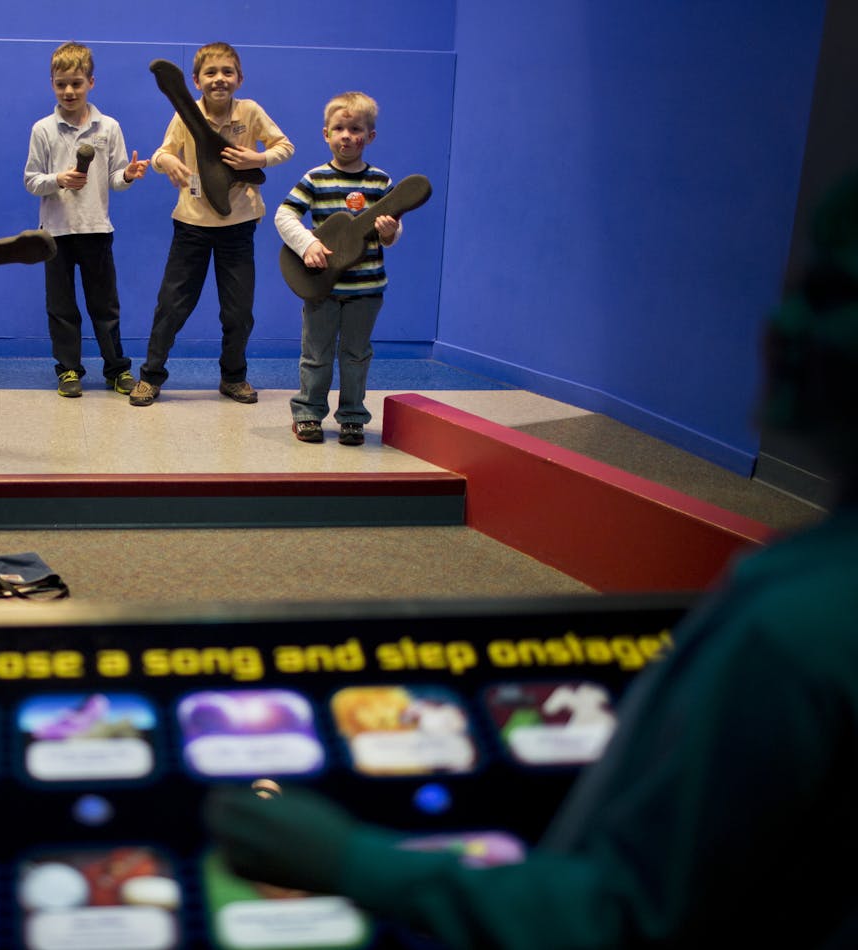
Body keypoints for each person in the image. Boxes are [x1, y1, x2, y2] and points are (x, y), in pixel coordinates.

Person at [206, 173, 858, 947]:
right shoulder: (794, 592)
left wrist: (354, 862)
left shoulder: (793, 633)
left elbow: (631, 915)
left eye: (825, 293)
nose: (782, 322)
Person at [129, 42, 294, 407]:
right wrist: (164, 162)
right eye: (211, 73)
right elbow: (162, 151)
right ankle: (151, 376)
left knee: (238, 309)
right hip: (192, 226)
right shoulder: (185, 115)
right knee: (171, 305)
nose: (219, 79)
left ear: (239, 78)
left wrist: (259, 157)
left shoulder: (249, 112)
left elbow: (285, 146)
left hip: (239, 226)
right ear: (196, 80)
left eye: (227, 72)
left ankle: (233, 377)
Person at [23, 41, 150, 398]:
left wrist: (128, 175)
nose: (69, 91)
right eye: (61, 83)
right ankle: (68, 370)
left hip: (96, 229)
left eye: (76, 83)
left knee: (104, 306)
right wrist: (57, 179)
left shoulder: (108, 127)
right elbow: (31, 180)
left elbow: (114, 179)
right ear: (52, 83)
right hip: (55, 234)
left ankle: (116, 370)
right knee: (61, 308)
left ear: (91, 82)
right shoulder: (43, 130)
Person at [275, 92, 401, 446]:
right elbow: (284, 215)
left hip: (367, 289)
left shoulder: (380, 182)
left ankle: (352, 417)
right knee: (317, 355)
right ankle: (308, 413)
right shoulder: (314, 179)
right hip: (323, 288)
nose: (347, 135)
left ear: (370, 136)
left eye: (356, 128)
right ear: (326, 134)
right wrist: (308, 244)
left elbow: (393, 230)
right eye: (339, 128)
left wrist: (391, 233)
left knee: (357, 355)